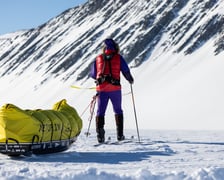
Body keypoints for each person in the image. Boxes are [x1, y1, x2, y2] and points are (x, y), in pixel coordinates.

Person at [90, 38, 134, 143]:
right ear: (116, 48)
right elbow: (126, 71)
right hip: (115, 89)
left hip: (101, 89)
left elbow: (93, 74)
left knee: (100, 111)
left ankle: (100, 136)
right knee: (118, 110)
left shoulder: (98, 58)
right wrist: (130, 80)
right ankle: (120, 135)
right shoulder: (119, 58)